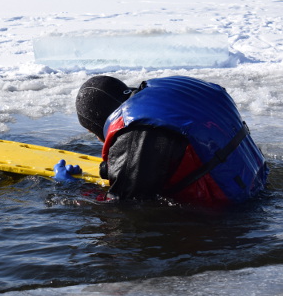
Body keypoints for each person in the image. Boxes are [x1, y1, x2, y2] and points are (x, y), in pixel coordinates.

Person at [55, 75, 268, 206]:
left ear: (97, 124)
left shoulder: (136, 131)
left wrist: (73, 190)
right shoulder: (171, 91)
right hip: (258, 182)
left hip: (233, 216)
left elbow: (124, 209)